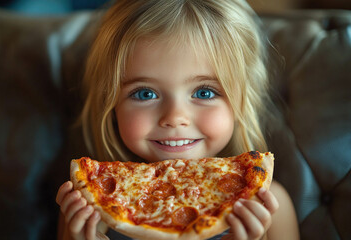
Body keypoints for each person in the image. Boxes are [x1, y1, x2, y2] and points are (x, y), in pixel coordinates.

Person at [56, 0, 300, 239]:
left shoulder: (270, 207)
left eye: (204, 92)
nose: (174, 118)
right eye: (145, 93)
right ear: (110, 103)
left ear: (241, 101)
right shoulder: (90, 207)